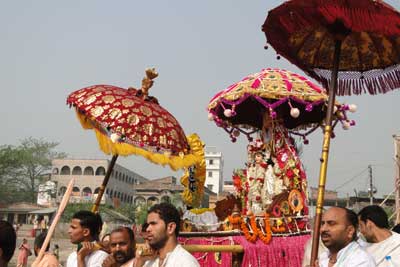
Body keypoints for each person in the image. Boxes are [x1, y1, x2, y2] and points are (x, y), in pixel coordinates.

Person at [136, 202, 199, 267]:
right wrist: (139, 262)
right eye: (148, 225)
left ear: (170, 227)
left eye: (153, 224)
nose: (147, 229)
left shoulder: (186, 263)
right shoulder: (147, 261)